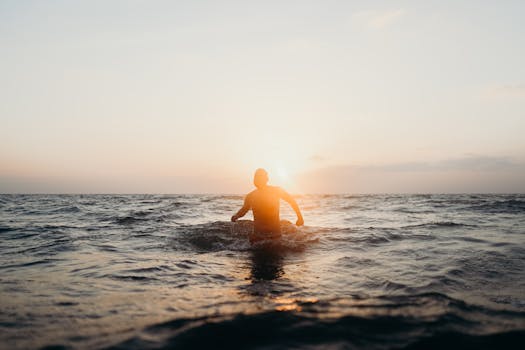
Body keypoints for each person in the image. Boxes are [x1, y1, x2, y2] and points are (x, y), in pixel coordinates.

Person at [231, 168, 304, 241]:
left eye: (260, 177)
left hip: (275, 236)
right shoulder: (251, 196)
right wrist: (236, 216)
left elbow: (291, 200)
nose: (257, 179)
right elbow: (244, 209)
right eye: (256, 177)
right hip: (258, 237)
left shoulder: (276, 191)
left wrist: (300, 217)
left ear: (266, 179)